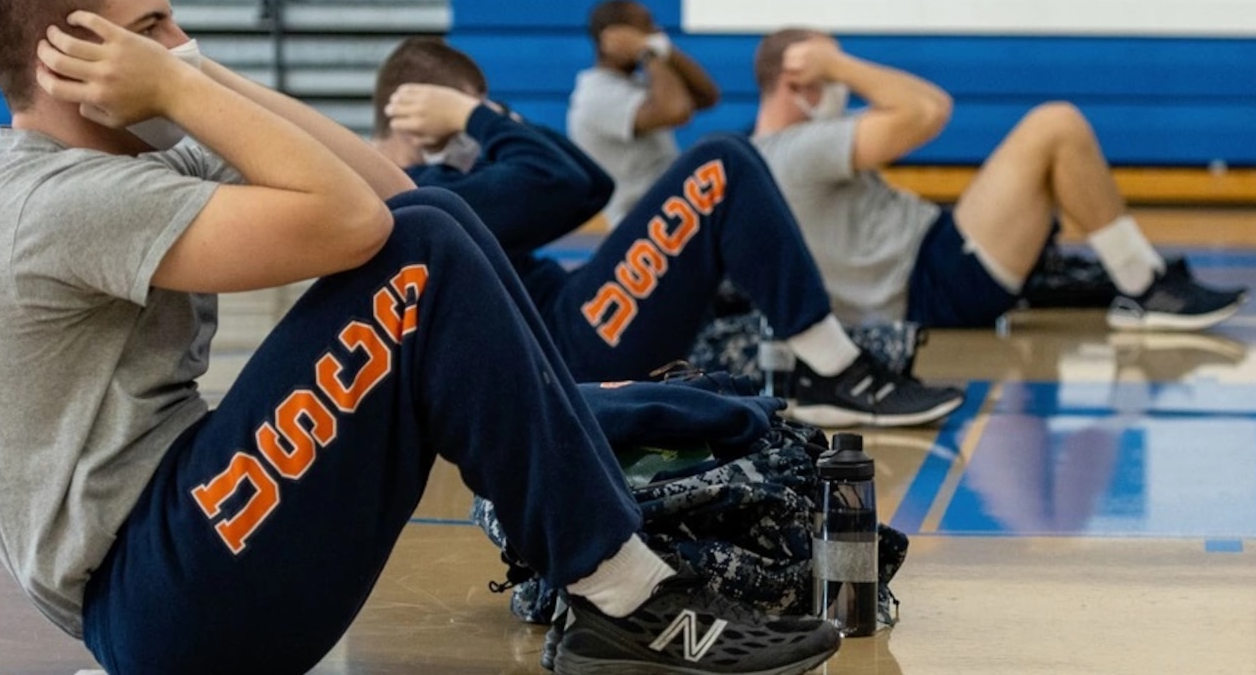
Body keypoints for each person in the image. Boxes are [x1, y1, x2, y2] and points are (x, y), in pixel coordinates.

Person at [0, 0, 843, 675]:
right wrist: (182, 90)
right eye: (155, 25)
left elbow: (390, 191)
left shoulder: (108, 167)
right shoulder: (64, 199)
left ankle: (606, 535)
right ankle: (627, 600)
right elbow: (360, 227)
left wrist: (195, 76)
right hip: (164, 600)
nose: (182, 42)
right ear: (69, 56)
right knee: (422, 250)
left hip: (184, 574)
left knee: (432, 222)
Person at [372, 37, 965, 428]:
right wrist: (474, 119)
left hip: (569, 327)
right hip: (565, 354)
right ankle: (835, 372)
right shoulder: (410, 194)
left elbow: (590, 182)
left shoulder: (430, 183)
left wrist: (488, 117)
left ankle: (826, 366)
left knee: (726, 165)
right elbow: (564, 186)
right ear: (411, 117)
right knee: (720, 165)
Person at [751, 30, 1248, 331]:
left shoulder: (769, 154)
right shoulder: (794, 150)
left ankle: (1129, 278)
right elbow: (929, 110)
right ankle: (1144, 286)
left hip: (931, 265)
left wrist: (830, 64)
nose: (843, 86)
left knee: (1049, 163)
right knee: (1057, 125)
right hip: (933, 279)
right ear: (796, 79)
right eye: (832, 76)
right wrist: (836, 62)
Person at [567, 0, 722, 225]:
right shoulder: (595, 96)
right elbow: (675, 111)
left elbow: (707, 96)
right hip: (642, 225)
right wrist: (648, 52)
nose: (655, 34)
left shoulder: (636, 83)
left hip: (670, 214)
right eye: (646, 28)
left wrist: (665, 50)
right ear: (611, 38)